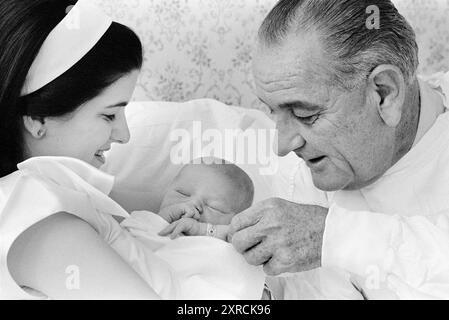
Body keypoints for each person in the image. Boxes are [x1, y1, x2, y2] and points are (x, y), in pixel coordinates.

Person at [228, 0, 449, 299]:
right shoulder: (283, 173)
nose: (282, 145)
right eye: (273, 112)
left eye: (306, 115)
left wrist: (332, 238)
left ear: (384, 93)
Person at [156, 158, 254, 240]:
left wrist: (201, 229)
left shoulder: (232, 241)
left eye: (213, 207)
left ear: (239, 219)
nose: (192, 204)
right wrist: (161, 218)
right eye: (182, 193)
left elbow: (237, 236)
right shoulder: (142, 223)